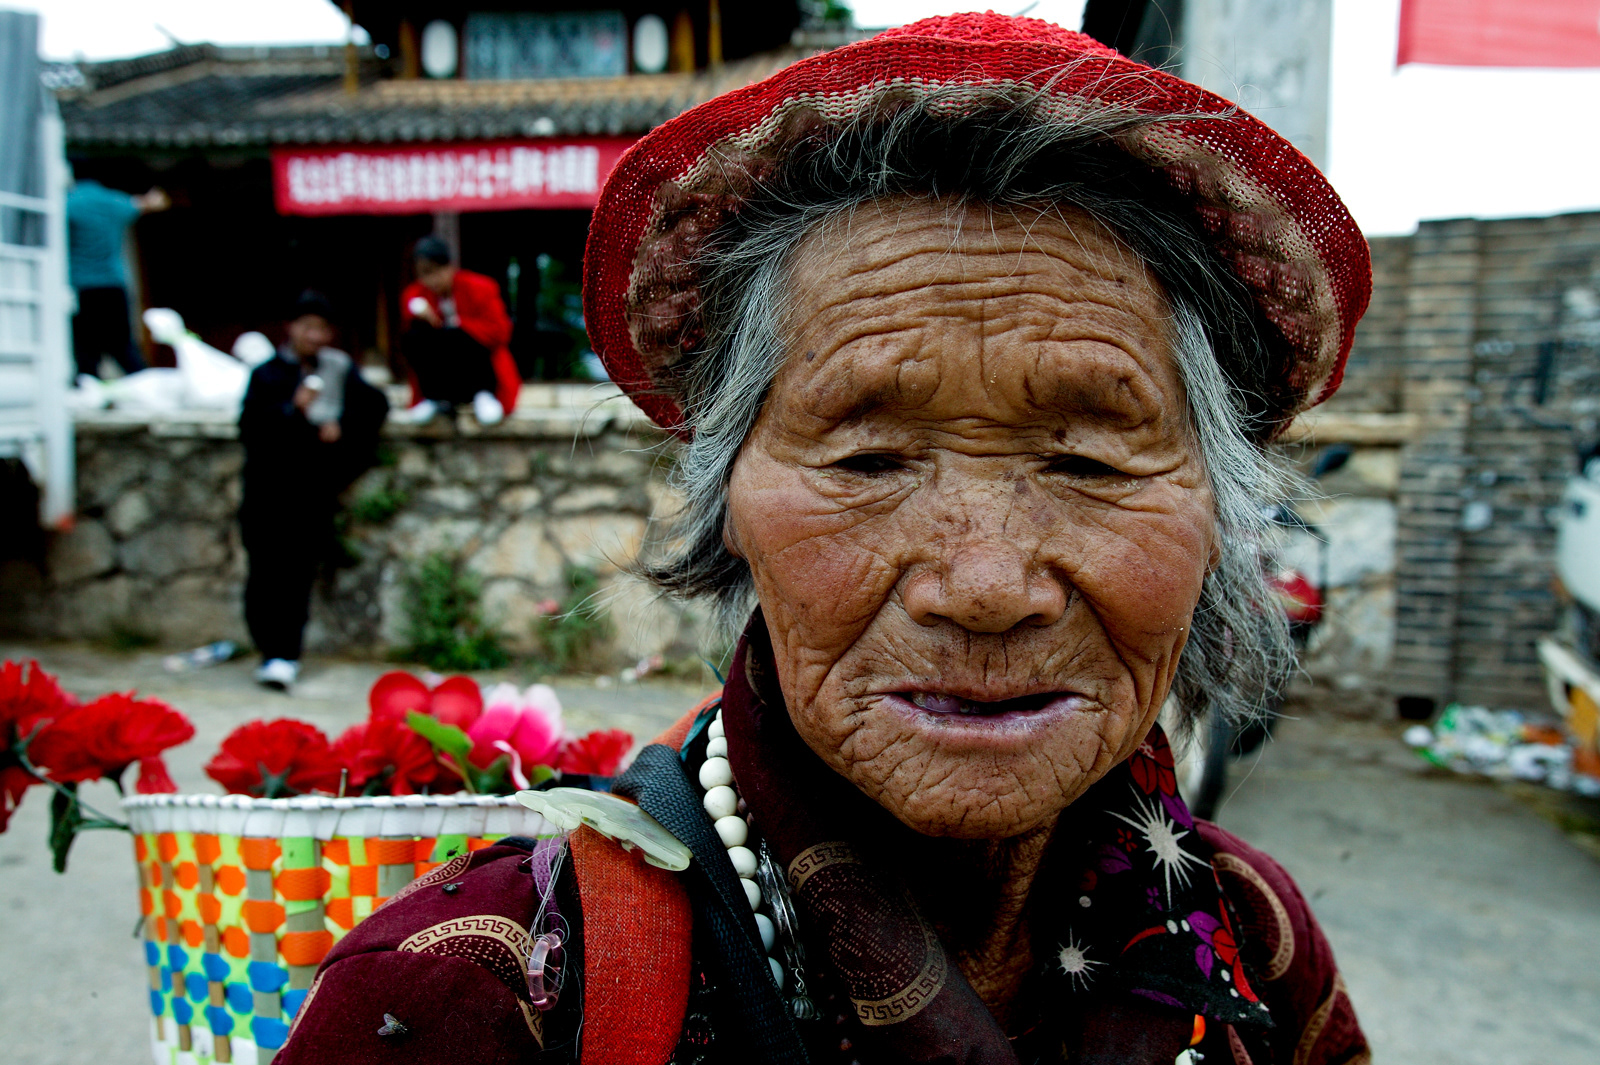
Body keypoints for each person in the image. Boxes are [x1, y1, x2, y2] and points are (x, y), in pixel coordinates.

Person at [279, 16, 1372, 1065]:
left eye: (1086, 460)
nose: (984, 587)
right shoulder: (468, 1000)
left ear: (1219, 517)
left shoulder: (1260, 955)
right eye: (866, 461)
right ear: (728, 508)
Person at [239, 291, 388, 692]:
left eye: (323, 328)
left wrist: (340, 422)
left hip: (307, 497)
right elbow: (251, 429)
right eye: (309, 326)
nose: (316, 336)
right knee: (263, 579)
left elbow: (376, 406)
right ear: (292, 328)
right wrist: (293, 409)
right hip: (266, 495)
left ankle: (284, 656)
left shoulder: (337, 371)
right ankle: (267, 648)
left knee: (296, 577)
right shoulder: (268, 375)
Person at [397, 236, 521, 426]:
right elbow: (411, 314)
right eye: (423, 274)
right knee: (414, 337)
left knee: (456, 337)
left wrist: (458, 323)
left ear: (449, 267)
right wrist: (424, 317)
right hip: (444, 373)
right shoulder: (419, 294)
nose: (431, 280)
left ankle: (484, 395)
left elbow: (500, 332)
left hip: (478, 365)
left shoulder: (481, 288)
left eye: (435, 272)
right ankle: (434, 398)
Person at [65, 174, 168, 378]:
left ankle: (89, 388)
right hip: (113, 285)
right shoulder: (114, 201)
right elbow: (154, 203)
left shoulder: (69, 204)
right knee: (122, 343)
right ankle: (144, 383)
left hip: (81, 286)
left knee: (86, 347)